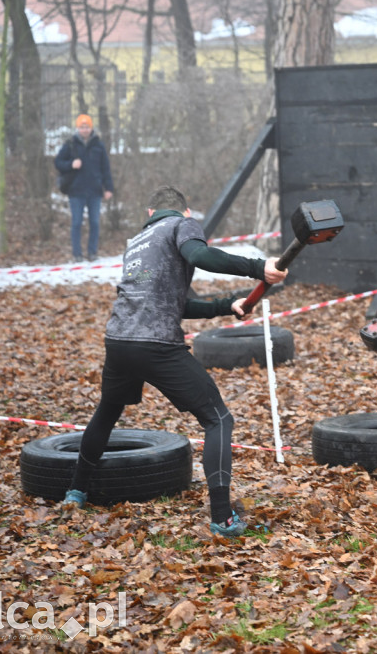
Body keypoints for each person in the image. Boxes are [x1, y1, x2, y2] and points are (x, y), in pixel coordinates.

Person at [61, 185, 287, 538]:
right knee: (218, 419)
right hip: (156, 344)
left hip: (119, 340)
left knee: (107, 411)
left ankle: (75, 492)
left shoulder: (137, 242)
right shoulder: (183, 225)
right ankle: (223, 518)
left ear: (149, 213)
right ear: (185, 212)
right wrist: (259, 267)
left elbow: (174, 303)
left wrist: (226, 304)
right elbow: (201, 257)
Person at [54, 114, 114, 261]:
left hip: (95, 191)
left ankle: (92, 253)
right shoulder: (70, 144)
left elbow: (105, 168)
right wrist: (71, 165)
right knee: (76, 223)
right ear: (77, 128)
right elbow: (58, 162)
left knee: (94, 223)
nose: (85, 129)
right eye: (82, 127)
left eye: (87, 126)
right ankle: (77, 254)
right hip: (76, 191)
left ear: (91, 128)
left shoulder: (99, 145)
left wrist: (108, 188)